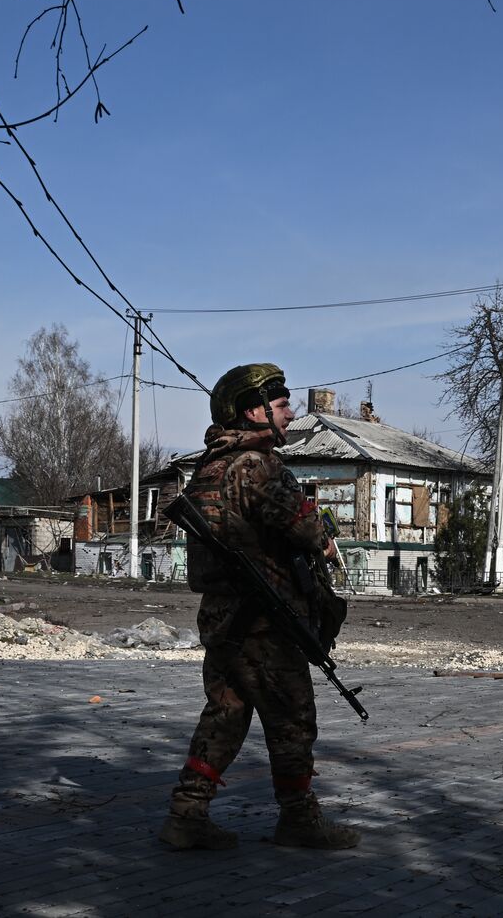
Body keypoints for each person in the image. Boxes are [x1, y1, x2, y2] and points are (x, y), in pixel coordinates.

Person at [158, 363, 359, 851]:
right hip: (267, 625)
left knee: (225, 714)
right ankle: (299, 819)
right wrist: (324, 540)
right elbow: (310, 532)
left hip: (225, 622)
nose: (291, 414)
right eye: (281, 404)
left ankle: (187, 814)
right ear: (253, 411)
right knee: (293, 720)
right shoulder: (259, 467)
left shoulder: (208, 469)